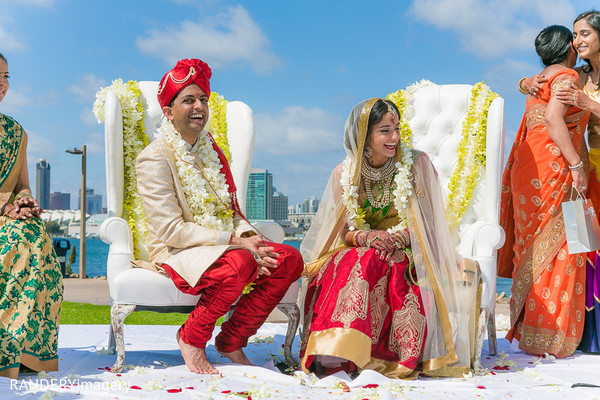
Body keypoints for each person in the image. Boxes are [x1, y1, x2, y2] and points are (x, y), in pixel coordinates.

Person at [135, 58, 303, 375]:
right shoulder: (153, 157)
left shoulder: (211, 149)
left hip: (226, 244)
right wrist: (236, 243)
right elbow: (171, 230)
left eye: (203, 99)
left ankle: (231, 340)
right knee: (241, 262)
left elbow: (231, 209)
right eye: (189, 100)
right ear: (169, 112)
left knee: (289, 258)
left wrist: (250, 237)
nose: (199, 106)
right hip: (178, 249)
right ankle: (191, 338)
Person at [299, 98, 479, 379]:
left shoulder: (416, 164)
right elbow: (343, 231)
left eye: (396, 129)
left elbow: (431, 225)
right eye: (384, 130)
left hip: (410, 249)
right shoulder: (343, 173)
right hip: (362, 246)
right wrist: (367, 236)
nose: (394, 137)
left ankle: (367, 357)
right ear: (364, 135)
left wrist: (398, 238)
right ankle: (335, 352)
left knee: (373, 261)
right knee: (353, 259)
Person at [498, 25, 591, 358]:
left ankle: (529, 331)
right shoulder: (568, 76)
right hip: (553, 164)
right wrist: (577, 165)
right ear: (568, 46)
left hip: (527, 165)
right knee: (561, 247)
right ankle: (552, 335)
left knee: (531, 244)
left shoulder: (537, 80)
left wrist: (523, 81)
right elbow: (554, 119)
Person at [520, 11, 600, 354]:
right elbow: (547, 87)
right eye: (574, 35)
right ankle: (582, 332)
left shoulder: (580, 82)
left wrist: (591, 105)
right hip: (582, 162)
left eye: (584, 34)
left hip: (586, 161)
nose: (577, 41)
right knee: (586, 240)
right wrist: (525, 82)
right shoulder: (576, 73)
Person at [0, 52, 63, 378]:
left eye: (7, 76)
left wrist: (25, 203)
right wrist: (5, 206)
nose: (2, 84)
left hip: (7, 217)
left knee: (35, 237)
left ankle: (27, 353)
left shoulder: (15, 132)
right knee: (17, 242)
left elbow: (22, 184)